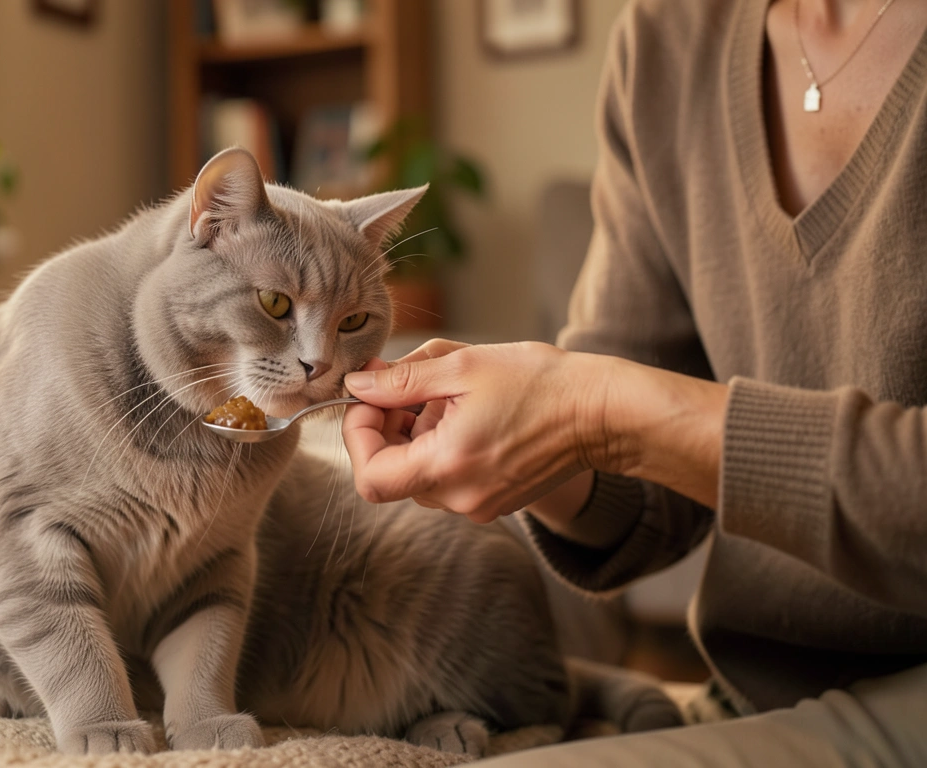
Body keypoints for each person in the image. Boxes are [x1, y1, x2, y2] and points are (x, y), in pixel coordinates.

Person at [341, 0, 927, 765]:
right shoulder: (667, 38)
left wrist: (599, 413)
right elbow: (644, 500)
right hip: (753, 694)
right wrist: (537, 438)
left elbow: (619, 411)